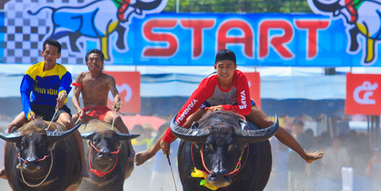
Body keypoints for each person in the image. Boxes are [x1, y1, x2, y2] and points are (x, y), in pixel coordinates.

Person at [134, 49, 323, 166]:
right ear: (215, 66)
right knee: (188, 121)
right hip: (209, 105)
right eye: (221, 66)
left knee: (266, 122)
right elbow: (184, 113)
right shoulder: (208, 83)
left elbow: (245, 110)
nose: (225, 71)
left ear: (235, 67)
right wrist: (165, 140)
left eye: (229, 67)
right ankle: (150, 153)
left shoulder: (241, 78)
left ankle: (303, 154)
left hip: (237, 106)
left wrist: (223, 107)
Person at [0, 39, 86, 179]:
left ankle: (83, 165)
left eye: (53, 53)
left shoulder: (63, 72)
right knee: (12, 125)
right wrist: (29, 111)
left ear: (58, 56)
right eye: (47, 52)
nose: (50, 56)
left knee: (68, 123)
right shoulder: (33, 70)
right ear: (42, 53)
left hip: (55, 108)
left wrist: (62, 96)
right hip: (35, 108)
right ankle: (6, 167)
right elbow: (24, 92)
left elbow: (64, 89)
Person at [70, 49, 131, 134]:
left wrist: (116, 102)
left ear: (102, 63)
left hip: (103, 112)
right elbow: (74, 96)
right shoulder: (81, 76)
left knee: (117, 119)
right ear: (87, 63)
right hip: (85, 112)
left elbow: (116, 94)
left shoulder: (108, 79)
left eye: (97, 60)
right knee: (68, 122)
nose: (94, 62)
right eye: (91, 60)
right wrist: (78, 109)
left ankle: (130, 146)